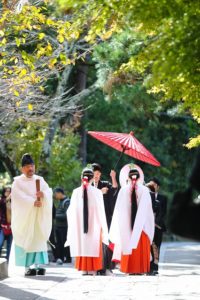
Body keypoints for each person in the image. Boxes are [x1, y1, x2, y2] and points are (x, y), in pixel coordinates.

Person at [11, 153, 52, 276]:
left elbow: (48, 191)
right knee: (26, 239)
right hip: (25, 217)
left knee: (38, 238)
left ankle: (38, 265)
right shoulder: (17, 182)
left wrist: (43, 195)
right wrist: (32, 202)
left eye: (32, 166)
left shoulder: (40, 179)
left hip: (38, 217)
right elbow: (18, 198)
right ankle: (27, 267)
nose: (31, 169)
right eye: (28, 166)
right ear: (22, 168)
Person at [109, 167, 155, 275]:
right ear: (139, 178)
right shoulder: (144, 190)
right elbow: (147, 211)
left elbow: (118, 209)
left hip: (126, 225)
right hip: (142, 227)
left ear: (128, 178)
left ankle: (129, 269)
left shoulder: (123, 190)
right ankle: (139, 269)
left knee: (128, 244)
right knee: (139, 247)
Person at [65, 167, 108, 275]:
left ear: (81, 178)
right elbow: (101, 211)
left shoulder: (75, 192)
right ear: (92, 178)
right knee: (92, 244)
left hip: (80, 225)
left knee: (83, 244)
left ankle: (84, 268)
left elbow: (70, 211)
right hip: (94, 225)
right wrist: (103, 226)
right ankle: (92, 268)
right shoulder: (97, 192)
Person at [92, 163, 118, 275]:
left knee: (105, 242)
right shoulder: (87, 186)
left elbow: (115, 189)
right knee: (93, 242)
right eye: (94, 173)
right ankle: (94, 266)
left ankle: (106, 267)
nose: (96, 175)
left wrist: (113, 177)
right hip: (92, 218)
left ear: (100, 174)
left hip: (105, 217)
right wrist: (99, 192)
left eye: (98, 173)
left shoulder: (105, 184)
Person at [148, 177, 167, 255]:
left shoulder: (163, 198)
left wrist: (155, 222)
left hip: (158, 226)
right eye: (150, 184)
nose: (152, 186)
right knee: (148, 247)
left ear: (158, 187)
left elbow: (163, 212)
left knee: (156, 246)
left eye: (154, 185)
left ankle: (155, 266)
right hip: (147, 226)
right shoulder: (145, 196)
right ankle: (147, 266)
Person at [54, 187, 71, 265]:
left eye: (56, 194)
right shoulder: (60, 202)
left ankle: (68, 258)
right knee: (59, 243)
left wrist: (55, 216)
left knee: (65, 242)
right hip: (58, 226)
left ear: (60, 193)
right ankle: (60, 258)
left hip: (64, 227)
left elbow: (67, 215)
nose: (55, 196)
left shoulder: (67, 202)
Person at [0, 187, 12, 261]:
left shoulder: (14, 202)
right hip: (2, 227)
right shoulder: (2, 201)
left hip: (12, 227)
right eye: (6, 191)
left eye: (9, 191)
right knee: (0, 244)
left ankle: (8, 261)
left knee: (9, 246)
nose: (8, 193)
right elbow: (4, 201)